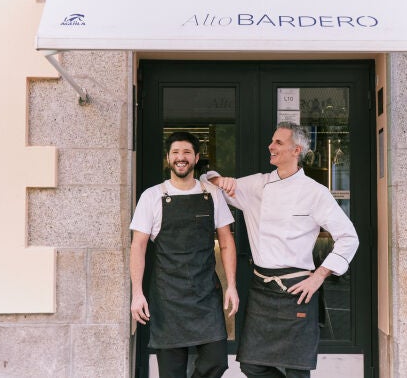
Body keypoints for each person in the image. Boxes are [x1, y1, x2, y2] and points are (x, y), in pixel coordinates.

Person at [205, 122, 359, 378]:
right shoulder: (257, 185)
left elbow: (349, 237)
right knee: (251, 365)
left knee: (297, 371)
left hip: (297, 290)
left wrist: (319, 276)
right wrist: (219, 179)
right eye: (272, 141)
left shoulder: (315, 192)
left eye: (278, 142)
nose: (271, 146)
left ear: (296, 150)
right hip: (261, 288)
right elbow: (208, 182)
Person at [130, 131, 239, 378]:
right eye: (176, 153)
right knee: (171, 372)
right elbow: (138, 246)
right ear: (168, 158)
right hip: (168, 299)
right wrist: (137, 293)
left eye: (187, 153)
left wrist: (231, 285)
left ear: (196, 157)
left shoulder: (211, 193)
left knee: (217, 361)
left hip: (205, 295)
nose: (181, 158)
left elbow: (226, 241)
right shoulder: (152, 196)